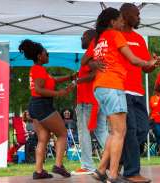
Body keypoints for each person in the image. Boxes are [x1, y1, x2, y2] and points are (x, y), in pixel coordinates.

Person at [82, 7, 157, 183]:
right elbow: (133, 60)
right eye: (119, 20)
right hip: (113, 85)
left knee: (115, 132)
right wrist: (149, 62)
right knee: (119, 132)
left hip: (100, 87)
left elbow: (85, 61)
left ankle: (101, 170)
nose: (122, 22)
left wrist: (95, 64)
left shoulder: (100, 38)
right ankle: (114, 175)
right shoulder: (115, 35)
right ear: (112, 22)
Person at [19, 39, 74, 179]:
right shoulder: (38, 69)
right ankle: (58, 165)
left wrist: (71, 76)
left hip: (36, 106)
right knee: (62, 133)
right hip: (42, 105)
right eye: (46, 53)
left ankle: (38, 171)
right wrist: (59, 93)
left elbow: (53, 80)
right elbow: (39, 89)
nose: (48, 55)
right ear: (39, 56)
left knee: (43, 138)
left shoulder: (39, 70)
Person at [119, 3, 160, 183]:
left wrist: (152, 63)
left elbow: (146, 68)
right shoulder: (116, 35)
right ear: (126, 15)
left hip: (138, 92)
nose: (139, 18)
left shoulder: (139, 38)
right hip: (121, 90)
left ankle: (117, 161)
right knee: (131, 131)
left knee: (142, 130)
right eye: (136, 15)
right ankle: (132, 172)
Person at [72, 29, 109, 175]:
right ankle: (117, 159)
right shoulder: (97, 54)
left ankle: (87, 165)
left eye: (83, 37)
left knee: (84, 133)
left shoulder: (90, 55)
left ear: (91, 38)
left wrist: (78, 81)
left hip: (86, 101)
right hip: (96, 99)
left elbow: (94, 74)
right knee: (101, 131)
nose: (81, 39)